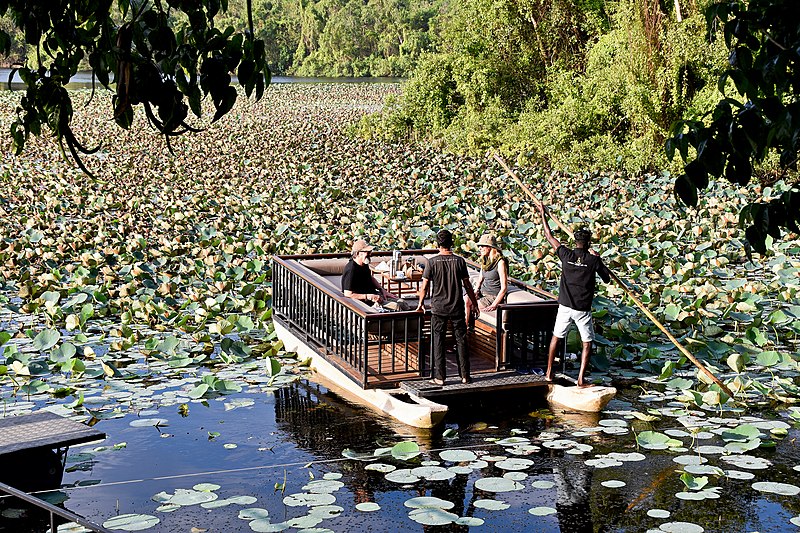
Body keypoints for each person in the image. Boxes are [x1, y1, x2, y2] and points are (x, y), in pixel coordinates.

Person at [538, 204, 610, 387]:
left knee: (556, 337)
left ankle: (548, 373)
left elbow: (549, 236)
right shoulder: (593, 260)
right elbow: (607, 279)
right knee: (587, 343)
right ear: (589, 244)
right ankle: (580, 380)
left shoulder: (566, 254)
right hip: (582, 309)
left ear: (575, 242)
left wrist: (542, 214)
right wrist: (598, 258)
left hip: (565, 306)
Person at [415, 229, 479, 385]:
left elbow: (424, 287)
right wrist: (474, 303)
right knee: (461, 341)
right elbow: (468, 285)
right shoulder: (459, 261)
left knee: (438, 341)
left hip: (438, 308)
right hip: (457, 307)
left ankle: (440, 377)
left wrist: (420, 304)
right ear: (452, 243)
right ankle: (465, 376)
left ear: (438, 244)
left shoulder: (432, 262)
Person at [342, 239, 411, 310]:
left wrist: (382, 290)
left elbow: (370, 278)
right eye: (367, 252)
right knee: (396, 306)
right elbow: (348, 294)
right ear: (358, 253)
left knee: (402, 302)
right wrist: (368, 296)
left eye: (370, 252)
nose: (370, 254)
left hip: (375, 295)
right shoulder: (351, 270)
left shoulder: (364, 264)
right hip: (366, 302)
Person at [466, 233, 509, 328]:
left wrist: (494, 305)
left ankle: (465, 331)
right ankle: (464, 330)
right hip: (482, 293)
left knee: (472, 306)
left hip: (492, 296)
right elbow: (480, 279)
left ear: (490, 247)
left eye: (482, 246)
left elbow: (504, 288)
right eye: (479, 246)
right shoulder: (484, 260)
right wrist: (475, 291)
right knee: (465, 300)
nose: (480, 248)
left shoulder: (500, 262)